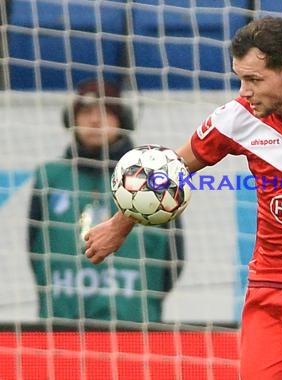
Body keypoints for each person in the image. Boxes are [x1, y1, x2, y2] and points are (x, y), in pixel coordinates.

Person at [83, 17, 282, 380]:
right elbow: (167, 173)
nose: (244, 91)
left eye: (254, 79)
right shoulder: (238, 117)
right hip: (270, 293)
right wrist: (119, 225)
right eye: (240, 78)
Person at [28, 78, 185, 323]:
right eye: (86, 112)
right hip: (61, 324)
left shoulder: (154, 177)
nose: (94, 120)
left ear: (123, 121)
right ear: (72, 119)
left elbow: (174, 257)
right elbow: (34, 248)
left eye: (105, 112)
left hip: (133, 323)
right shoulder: (49, 177)